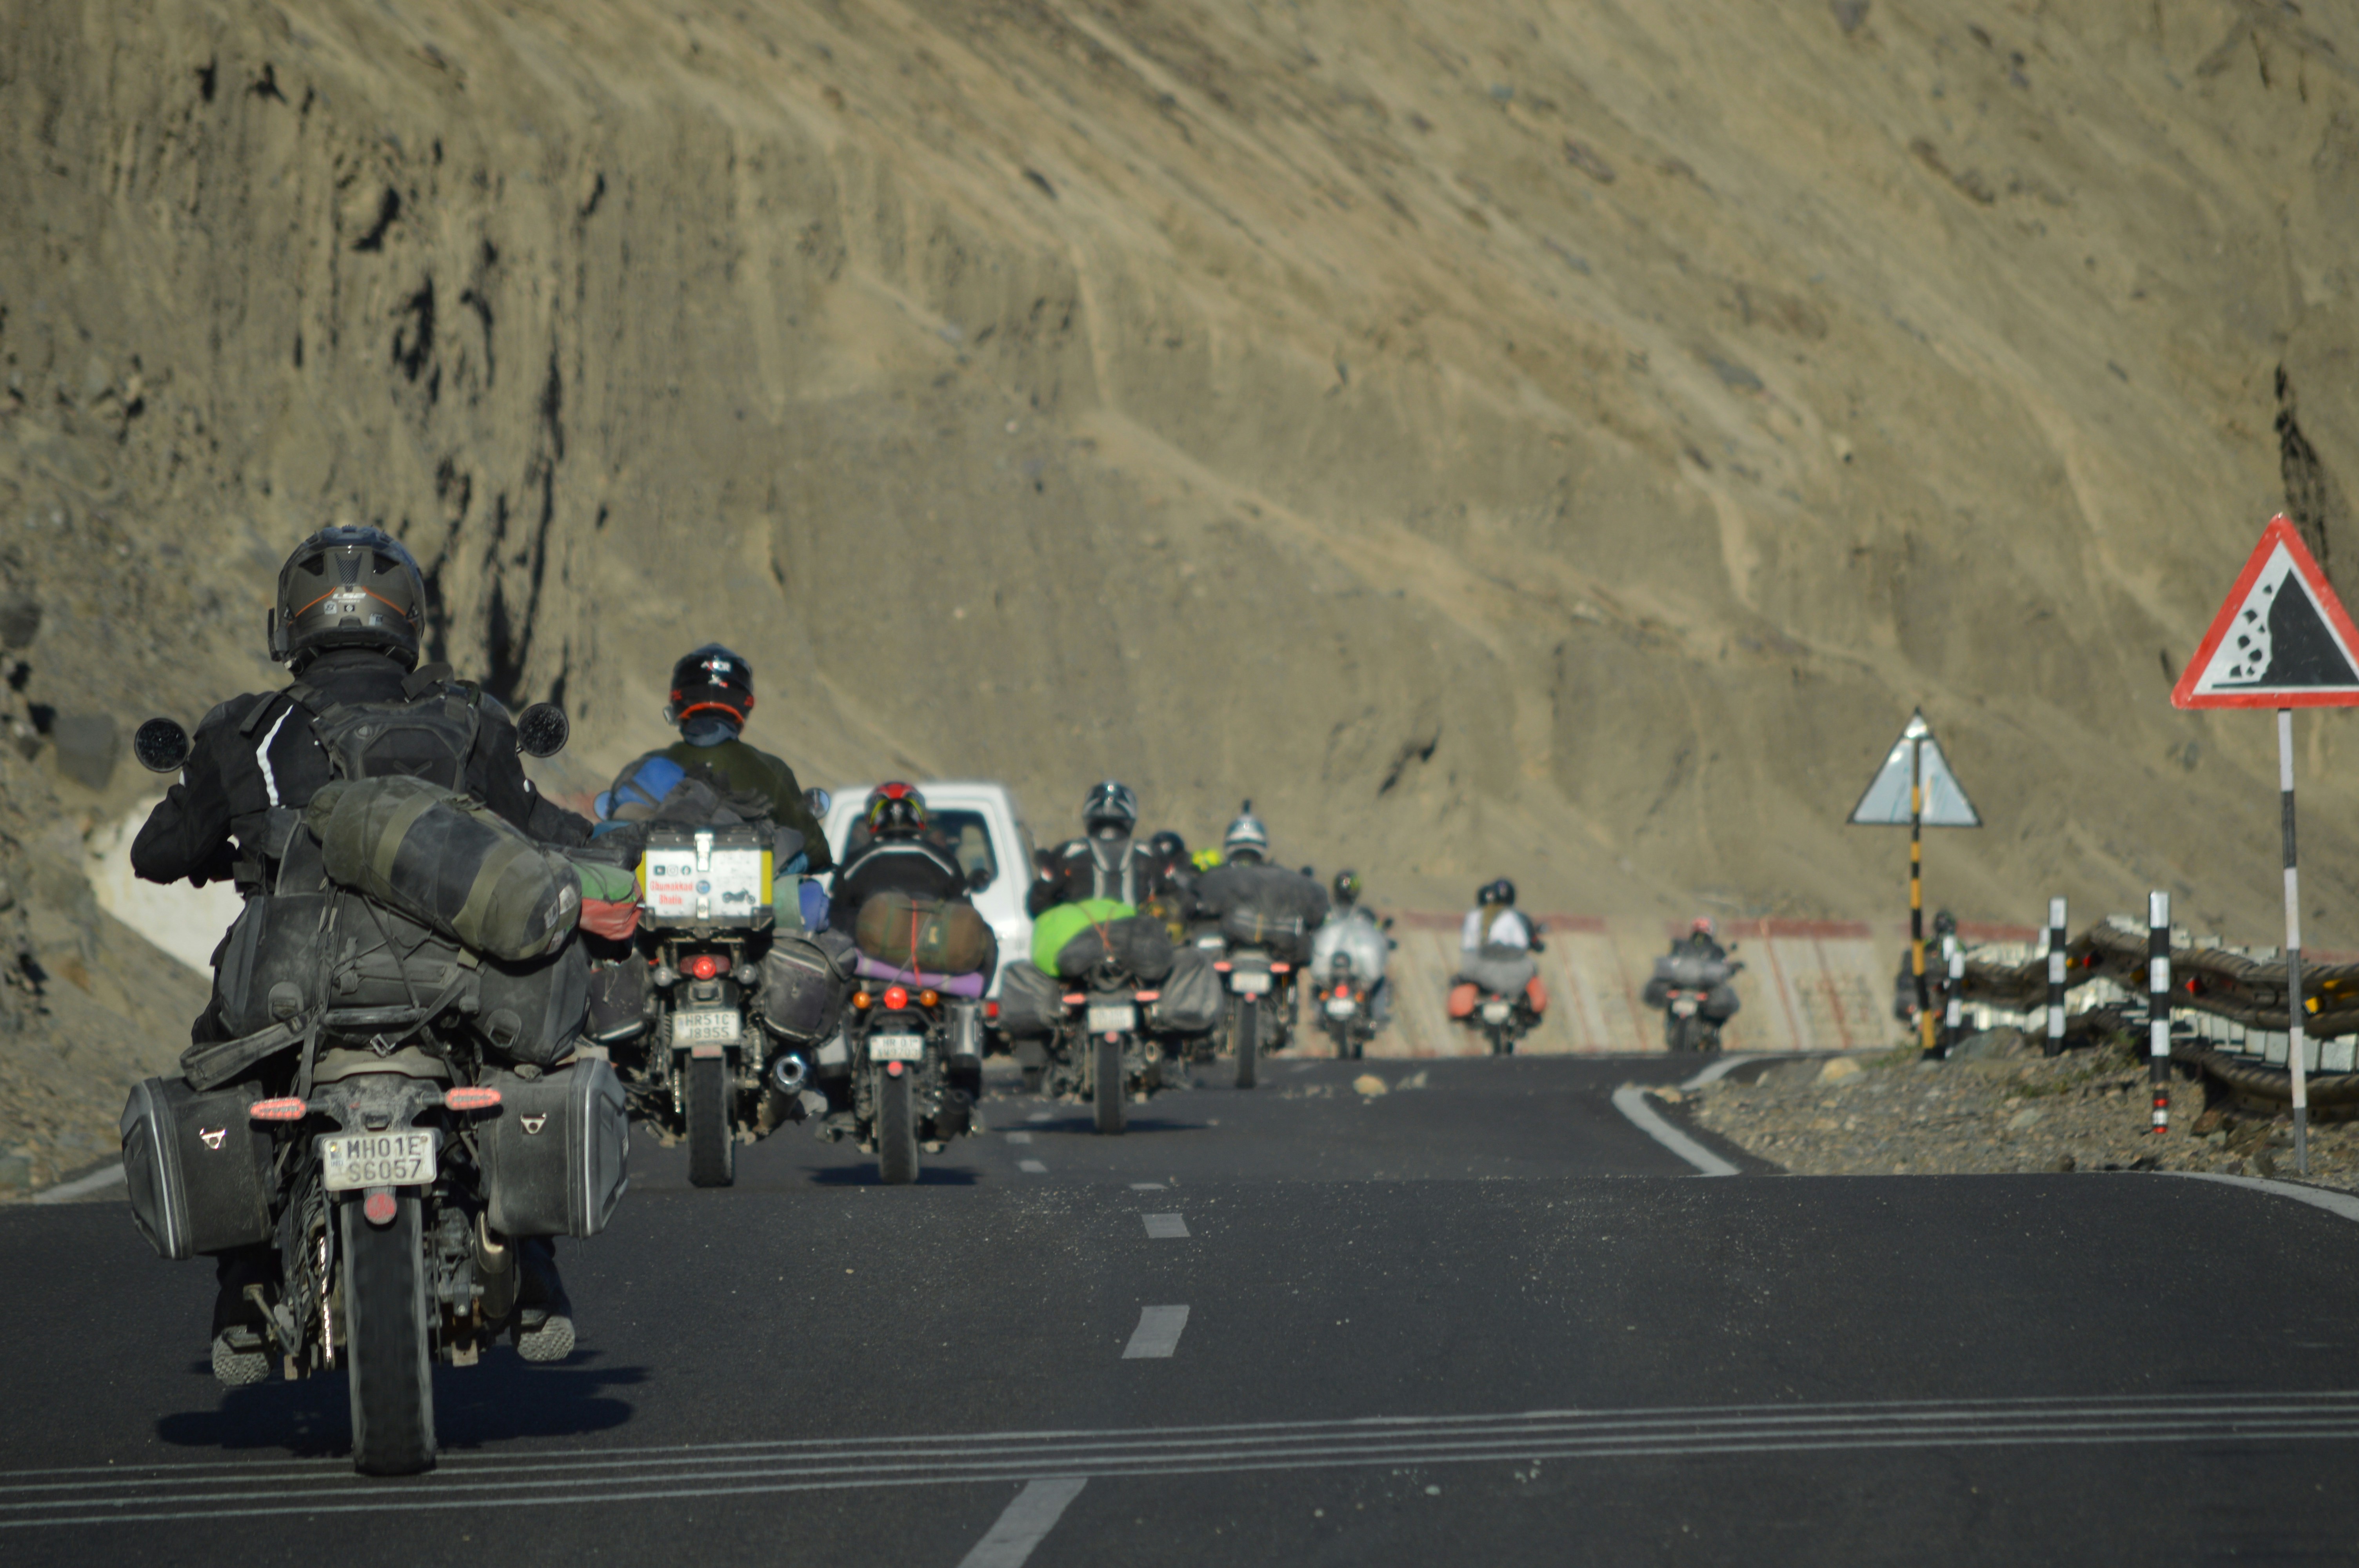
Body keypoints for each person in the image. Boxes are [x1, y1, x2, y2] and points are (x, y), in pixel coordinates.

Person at [131, 524, 593, 1377]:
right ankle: (536, 1274)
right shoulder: (470, 718)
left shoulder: (246, 730)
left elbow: (157, 854)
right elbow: (542, 833)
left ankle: (242, 1289)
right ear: (407, 617)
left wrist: (223, 835)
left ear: (290, 622)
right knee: (524, 1064)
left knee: (217, 1070)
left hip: (289, 980)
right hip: (448, 978)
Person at [600, 644, 832, 873]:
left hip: (660, 883)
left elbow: (614, 830)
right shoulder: (772, 770)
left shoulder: (645, 767)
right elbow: (815, 849)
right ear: (745, 704)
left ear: (677, 702)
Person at [829, 783, 969, 935]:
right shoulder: (945, 863)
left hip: (866, 948)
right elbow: (966, 913)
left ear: (874, 816)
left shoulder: (853, 866)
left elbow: (834, 917)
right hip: (930, 948)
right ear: (917, 814)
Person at [1026, 780, 1174, 915]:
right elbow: (1176, 898)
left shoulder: (1069, 852)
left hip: (1082, 933)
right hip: (1140, 932)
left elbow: (1037, 905)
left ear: (1089, 817)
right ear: (1130, 819)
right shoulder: (1151, 853)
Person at [1450, 878, 1547, 1021]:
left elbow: (1467, 945)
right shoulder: (1512, 917)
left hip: (1478, 968)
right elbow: (1523, 943)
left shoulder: (1473, 916)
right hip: (1508, 970)